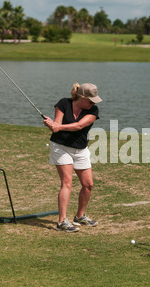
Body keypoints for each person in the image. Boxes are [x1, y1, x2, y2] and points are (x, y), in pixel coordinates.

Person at [43, 82, 102, 232]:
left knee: (88, 184)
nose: (92, 103)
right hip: (61, 147)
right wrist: (52, 125)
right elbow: (57, 123)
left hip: (81, 149)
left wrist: (58, 127)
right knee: (67, 183)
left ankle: (80, 216)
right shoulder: (63, 104)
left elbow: (79, 126)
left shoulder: (93, 110)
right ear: (82, 98)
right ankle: (62, 221)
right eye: (90, 100)